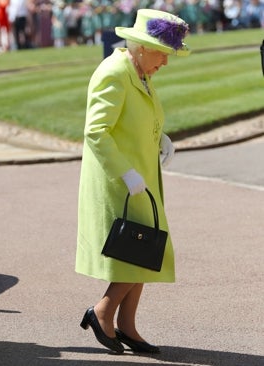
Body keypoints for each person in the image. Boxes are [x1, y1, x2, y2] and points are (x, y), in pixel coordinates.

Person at [75, 8, 190, 354]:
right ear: (142, 46)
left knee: (146, 249)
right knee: (139, 252)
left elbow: (136, 118)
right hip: (119, 180)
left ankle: (126, 325)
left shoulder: (139, 72)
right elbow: (96, 131)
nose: (166, 63)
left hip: (139, 177)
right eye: (164, 54)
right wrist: (125, 172)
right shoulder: (115, 71)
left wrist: (160, 137)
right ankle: (102, 313)